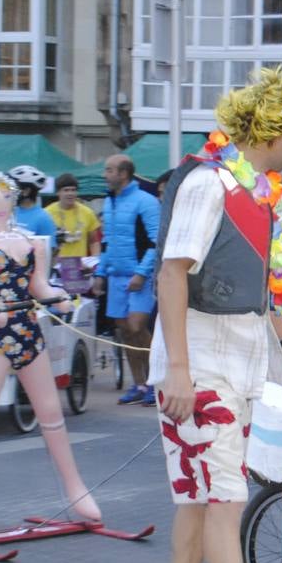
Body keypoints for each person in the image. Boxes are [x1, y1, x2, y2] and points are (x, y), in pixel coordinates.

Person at [149, 67, 282, 563]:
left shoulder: (256, 190)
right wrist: (177, 369)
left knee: (201, 496)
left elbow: (257, 288)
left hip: (236, 357)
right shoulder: (208, 184)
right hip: (199, 359)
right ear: (273, 129)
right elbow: (173, 273)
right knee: (224, 497)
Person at [0, 173, 101, 537]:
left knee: (51, 411)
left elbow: (38, 285)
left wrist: (56, 294)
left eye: (6, 194)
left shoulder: (31, 243)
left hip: (28, 330)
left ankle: (77, 491)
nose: (2, 201)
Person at [94, 153, 161, 406]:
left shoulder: (146, 202)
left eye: (110, 170)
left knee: (137, 327)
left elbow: (155, 242)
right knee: (125, 332)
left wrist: (141, 273)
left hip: (138, 277)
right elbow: (107, 242)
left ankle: (157, 382)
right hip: (115, 277)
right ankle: (139, 383)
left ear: (124, 173)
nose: (105, 174)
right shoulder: (109, 202)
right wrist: (101, 273)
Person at [46, 172, 102, 258]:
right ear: (58, 192)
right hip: (56, 267)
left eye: (73, 190)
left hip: (81, 268)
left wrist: (94, 260)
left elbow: (94, 241)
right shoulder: (47, 213)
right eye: (66, 190)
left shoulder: (88, 213)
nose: (70, 194)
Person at [7, 165, 58, 252]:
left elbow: (48, 254)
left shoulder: (43, 218)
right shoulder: (8, 212)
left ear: (26, 191)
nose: (9, 191)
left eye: (13, 187)